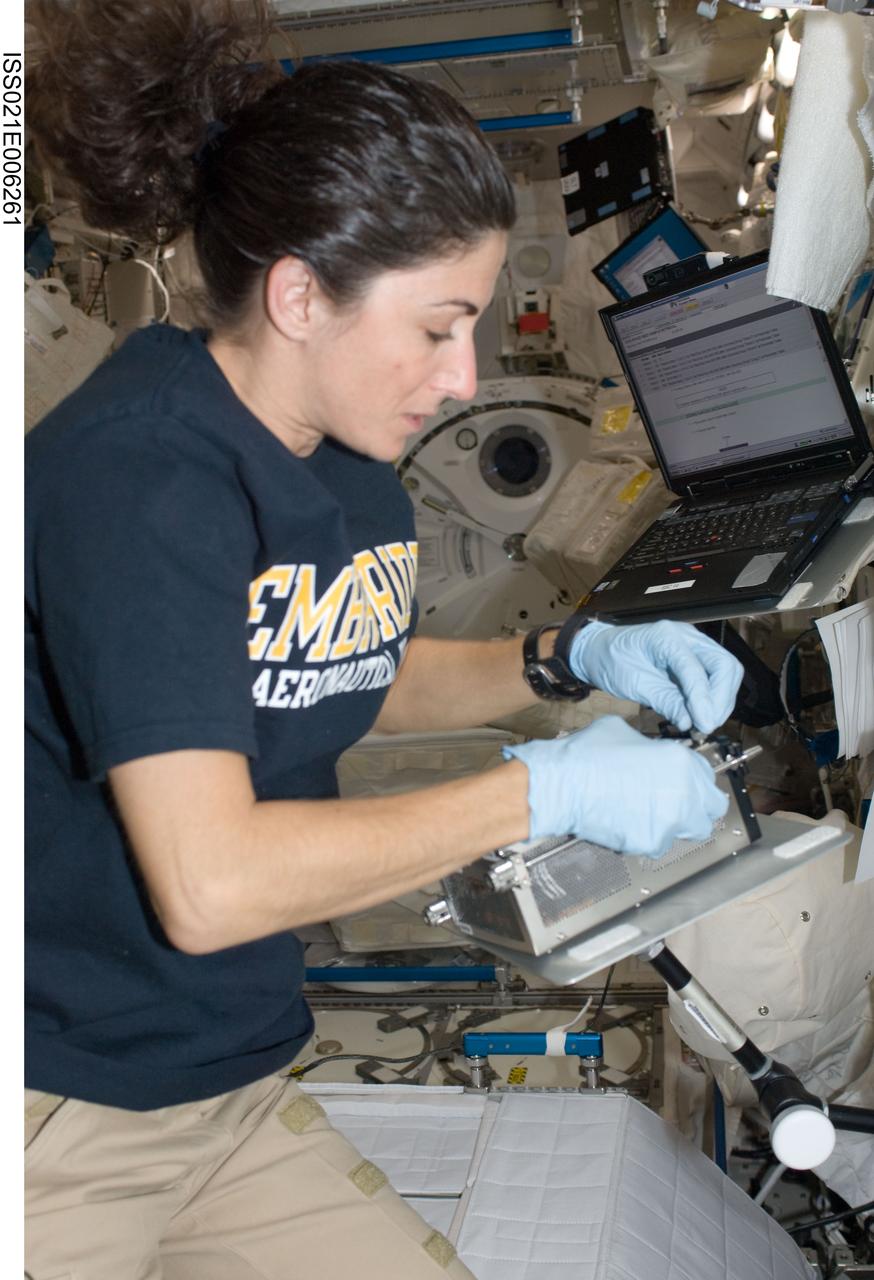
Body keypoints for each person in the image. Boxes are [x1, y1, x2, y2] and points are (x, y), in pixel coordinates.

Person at [24, 2, 744, 1276]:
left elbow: (341, 667)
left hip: (227, 1083)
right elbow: (213, 884)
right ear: (300, 295)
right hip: (59, 1108)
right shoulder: (138, 479)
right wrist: (540, 790)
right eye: (436, 326)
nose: (462, 376)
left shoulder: (340, 454)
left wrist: (561, 662)